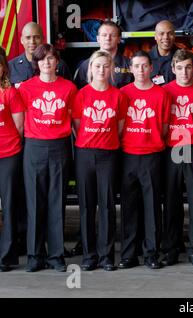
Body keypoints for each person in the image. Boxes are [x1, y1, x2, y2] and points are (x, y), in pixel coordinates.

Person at [18, 44, 77, 272]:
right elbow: (21, 122)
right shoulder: (26, 88)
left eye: (51, 59)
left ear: (57, 61)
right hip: (34, 147)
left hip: (60, 147)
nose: (47, 63)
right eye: (42, 59)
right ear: (37, 63)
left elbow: (73, 122)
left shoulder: (69, 88)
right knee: (34, 203)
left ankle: (56, 256)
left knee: (57, 201)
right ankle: (34, 255)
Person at [72, 50, 128, 271]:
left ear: (111, 69)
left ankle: (106, 256)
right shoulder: (81, 95)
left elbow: (120, 127)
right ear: (90, 69)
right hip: (85, 154)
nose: (101, 70)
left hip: (109, 154)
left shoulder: (119, 96)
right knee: (86, 206)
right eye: (97, 66)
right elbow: (77, 127)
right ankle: (89, 256)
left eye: (106, 66)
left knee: (106, 206)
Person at [119, 51, 170, 270]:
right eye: (136, 66)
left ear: (151, 68)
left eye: (144, 66)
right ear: (131, 69)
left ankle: (151, 253)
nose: (140, 70)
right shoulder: (123, 93)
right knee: (129, 207)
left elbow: (165, 127)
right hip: (128, 155)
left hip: (152, 155)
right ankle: (129, 254)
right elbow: (118, 127)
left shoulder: (162, 95)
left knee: (151, 207)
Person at [162, 49, 193, 267]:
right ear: (172, 69)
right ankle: (171, 248)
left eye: (188, 67)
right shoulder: (164, 91)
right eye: (179, 68)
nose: (184, 72)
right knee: (171, 200)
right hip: (172, 149)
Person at [0, 48, 24, 272]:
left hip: (8, 155)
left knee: (8, 207)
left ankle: (6, 256)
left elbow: (19, 127)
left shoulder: (10, 93)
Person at [9, 22, 72, 86]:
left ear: (43, 39)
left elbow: (69, 91)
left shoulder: (59, 65)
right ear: (22, 40)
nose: (32, 42)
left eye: (36, 37)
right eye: (28, 38)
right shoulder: (11, 67)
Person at [73, 21, 133, 89]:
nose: (108, 38)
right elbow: (80, 94)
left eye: (112, 35)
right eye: (104, 35)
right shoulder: (86, 65)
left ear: (119, 39)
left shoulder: (129, 64)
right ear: (98, 39)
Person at [149, 20, 179, 86]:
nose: (166, 37)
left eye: (170, 33)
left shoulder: (183, 57)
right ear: (155, 36)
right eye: (161, 34)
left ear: (174, 35)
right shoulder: (146, 59)